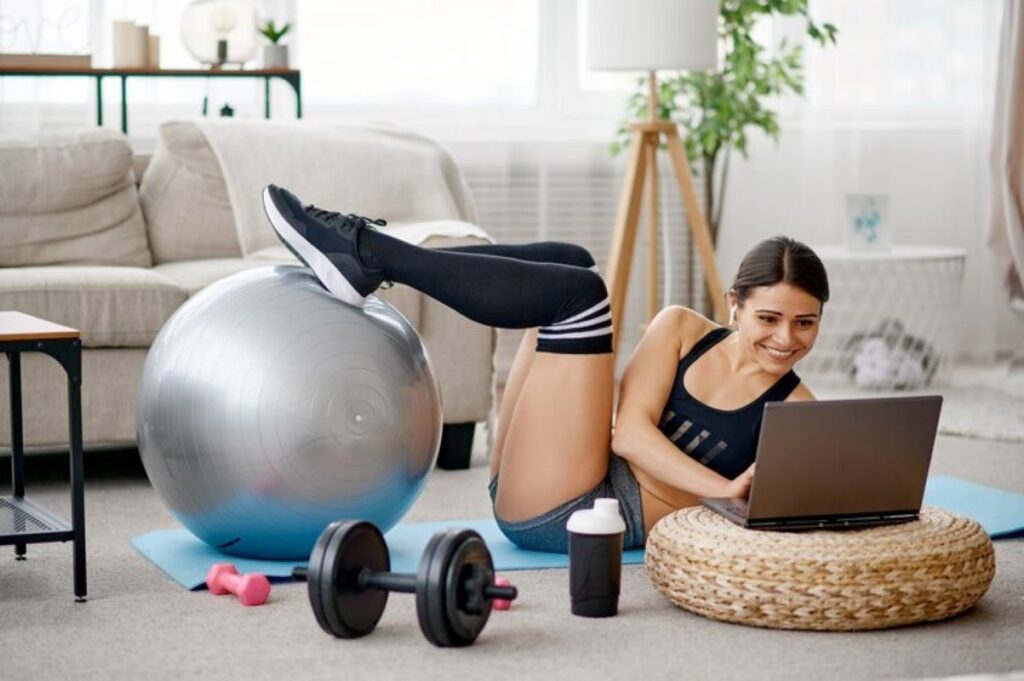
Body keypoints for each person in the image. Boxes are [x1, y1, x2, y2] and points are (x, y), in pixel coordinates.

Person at [261, 184, 829, 553]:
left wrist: (739, 495)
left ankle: (370, 255)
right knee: (571, 263)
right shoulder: (681, 328)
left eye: (805, 324)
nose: (785, 340)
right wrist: (724, 485)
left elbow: (800, 511)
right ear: (735, 303)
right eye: (770, 318)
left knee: (582, 296)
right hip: (555, 470)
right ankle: (374, 262)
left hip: (582, 517)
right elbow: (628, 434)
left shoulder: (798, 409)